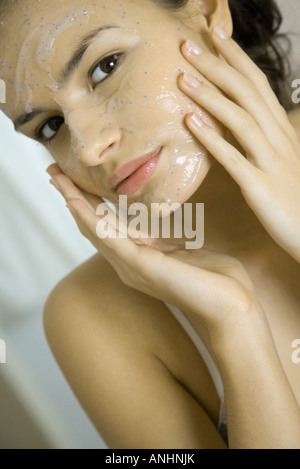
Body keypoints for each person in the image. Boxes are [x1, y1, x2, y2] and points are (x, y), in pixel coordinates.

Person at [1, 0, 300, 449]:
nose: (87, 148)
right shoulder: (91, 317)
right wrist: (234, 325)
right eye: (51, 126)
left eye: (104, 67)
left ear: (206, 10)